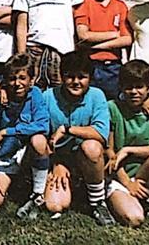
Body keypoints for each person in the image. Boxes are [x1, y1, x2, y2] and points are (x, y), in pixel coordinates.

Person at [42, 51, 114, 225]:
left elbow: (101, 134)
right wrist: (56, 163)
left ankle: (98, 201)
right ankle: (72, 187)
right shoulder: (48, 97)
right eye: (70, 76)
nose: (75, 82)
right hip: (59, 158)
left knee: (92, 146)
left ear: (90, 77)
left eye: (81, 77)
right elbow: (41, 138)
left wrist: (67, 129)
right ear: (61, 76)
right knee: (55, 206)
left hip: (86, 158)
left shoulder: (97, 96)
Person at [105, 60, 149, 227]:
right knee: (134, 219)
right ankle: (119, 199)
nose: (134, 92)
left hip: (145, 174)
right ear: (121, 87)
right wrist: (128, 184)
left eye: (139, 87)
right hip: (118, 175)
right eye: (129, 87)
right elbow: (110, 152)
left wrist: (129, 150)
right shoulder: (112, 108)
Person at [0, 54, 50, 214]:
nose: (17, 84)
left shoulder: (35, 94)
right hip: (4, 159)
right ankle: (14, 184)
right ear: (5, 80)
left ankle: (37, 194)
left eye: (22, 78)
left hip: (26, 155)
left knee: (39, 140)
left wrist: (8, 131)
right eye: (12, 79)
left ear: (31, 80)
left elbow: (43, 126)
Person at [73, 0, 131, 100]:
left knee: (112, 105)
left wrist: (95, 46)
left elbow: (127, 39)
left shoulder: (120, 6)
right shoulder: (83, 3)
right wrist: (114, 34)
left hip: (113, 67)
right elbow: (84, 35)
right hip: (88, 65)